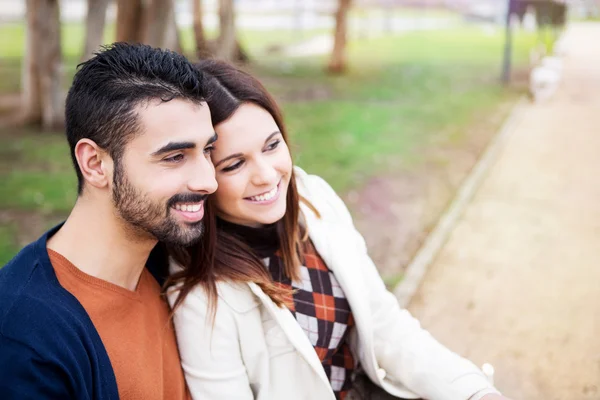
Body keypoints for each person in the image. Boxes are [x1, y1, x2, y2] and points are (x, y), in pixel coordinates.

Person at [167, 60, 512, 400]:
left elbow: (384, 325)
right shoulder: (200, 296)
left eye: (272, 146)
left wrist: (473, 391)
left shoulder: (313, 198)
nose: (267, 175)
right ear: (204, 179)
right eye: (235, 164)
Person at [0, 43, 218, 399]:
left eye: (207, 150)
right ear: (95, 163)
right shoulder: (25, 340)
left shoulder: (168, 267)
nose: (208, 180)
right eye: (175, 156)